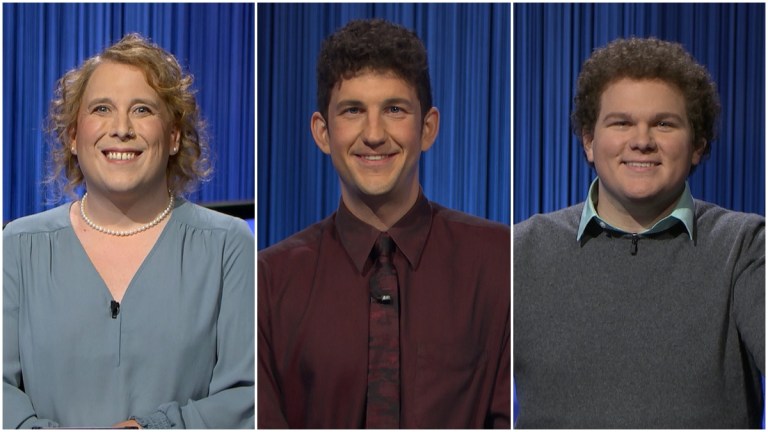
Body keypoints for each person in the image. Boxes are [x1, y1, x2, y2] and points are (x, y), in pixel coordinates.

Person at [258, 19, 510, 428]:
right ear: (323, 133)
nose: (374, 134)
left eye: (394, 110)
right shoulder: (268, 282)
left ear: (427, 128)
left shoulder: (500, 261)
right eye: (353, 110)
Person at [3, 34, 254, 428]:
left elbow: (247, 395)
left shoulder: (229, 246)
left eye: (142, 110)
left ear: (173, 137)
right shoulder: (17, 247)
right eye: (102, 109)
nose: (121, 129)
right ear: (73, 135)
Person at [514, 37, 765, 428]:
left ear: (697, 144)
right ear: (589, 141)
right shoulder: (520, 251)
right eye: (622, 123)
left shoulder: (746, 246)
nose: (642, 141)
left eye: (664, 124)